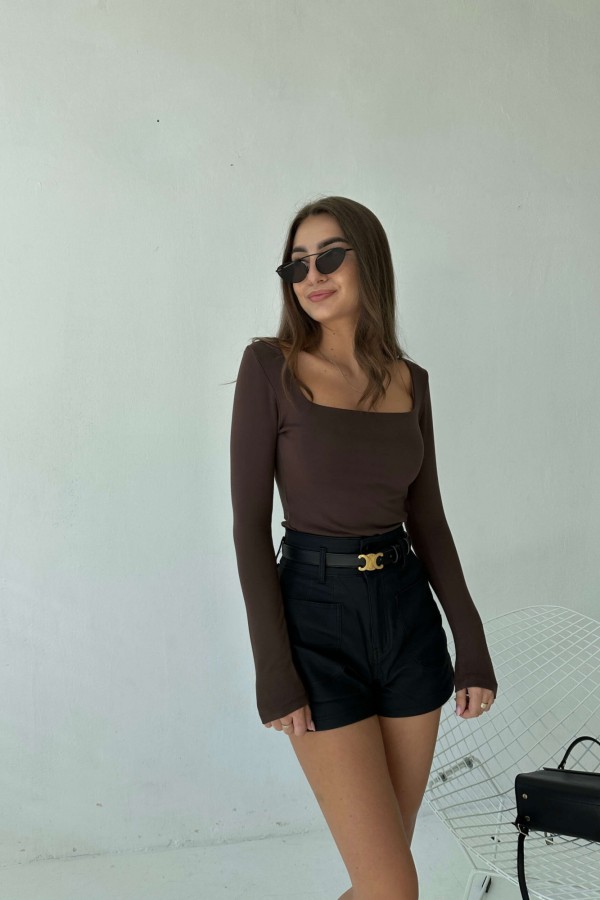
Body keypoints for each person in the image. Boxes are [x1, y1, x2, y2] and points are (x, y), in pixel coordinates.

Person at [229, 195, 498, 900]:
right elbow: (249, 526)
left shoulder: (412, 383)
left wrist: (471, 644)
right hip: (316, 622)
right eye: (297, 264)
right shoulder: (269, 368)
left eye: (329, 256)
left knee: (382, 882)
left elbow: (429, 521)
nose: (312, 275)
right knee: (392, 886)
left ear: (368, 261)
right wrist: (273, 669)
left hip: (407, 622)